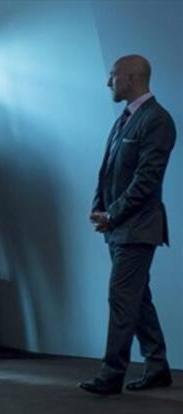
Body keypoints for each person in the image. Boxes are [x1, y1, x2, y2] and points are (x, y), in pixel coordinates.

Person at [80, 55, 176, 395]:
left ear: (132, 78)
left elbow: (146, 180)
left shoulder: (157, 120)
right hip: (121, 227)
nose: (109, 82)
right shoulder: (126, 118)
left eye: (114, 76)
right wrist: (100, 208)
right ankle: (157, 365)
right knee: (137, 298)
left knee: (121, 297)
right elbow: (108, 168)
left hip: (139, 228)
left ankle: (112, 372)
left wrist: (113, 214)